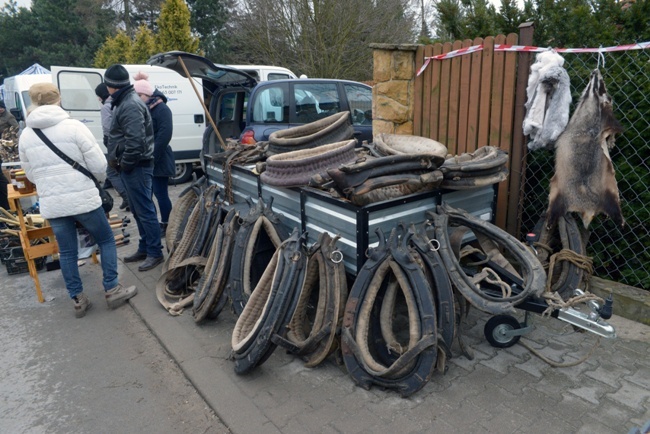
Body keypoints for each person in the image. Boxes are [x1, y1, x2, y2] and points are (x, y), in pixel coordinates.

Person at [18, 83, 137, 318]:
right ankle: (112, 288)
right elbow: (99, 165)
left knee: (68, 252)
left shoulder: (26, 135)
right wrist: (97, 182)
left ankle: (78, 299)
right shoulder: (73, 127)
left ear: (33, 102)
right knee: (105, 240)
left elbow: (30, 174)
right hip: (83, 198)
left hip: (54, 203)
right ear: (58, 99)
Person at [104, 64, 164, 272]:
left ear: (110, 86)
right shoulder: (125, 101)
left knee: (145, 210)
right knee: (139, 210)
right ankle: (145, 247)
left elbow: (136, 140)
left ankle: (155, 252)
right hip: (132, 167)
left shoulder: (129, 104)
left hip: (136, 166)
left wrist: (125, 164)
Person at [133, 73, 175, 236]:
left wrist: (152, 156)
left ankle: (168, 223)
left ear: (148, 94)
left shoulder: (162, 109)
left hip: (159, 158)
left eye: (140, 95)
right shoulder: (144, 108)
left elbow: (165, 135)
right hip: (148, 159)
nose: (137, 98)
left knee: (161, 193)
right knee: (149, 195)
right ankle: (156, 224)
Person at [94, 83, 130, 211]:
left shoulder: (106, 107)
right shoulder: (119, 102)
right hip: (123, 142)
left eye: (98, 96)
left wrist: (107, 140)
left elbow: (108, 127)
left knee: (111, 172)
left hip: (113, 143)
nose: (98, 99)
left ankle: (128, 198)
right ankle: (128, 198)